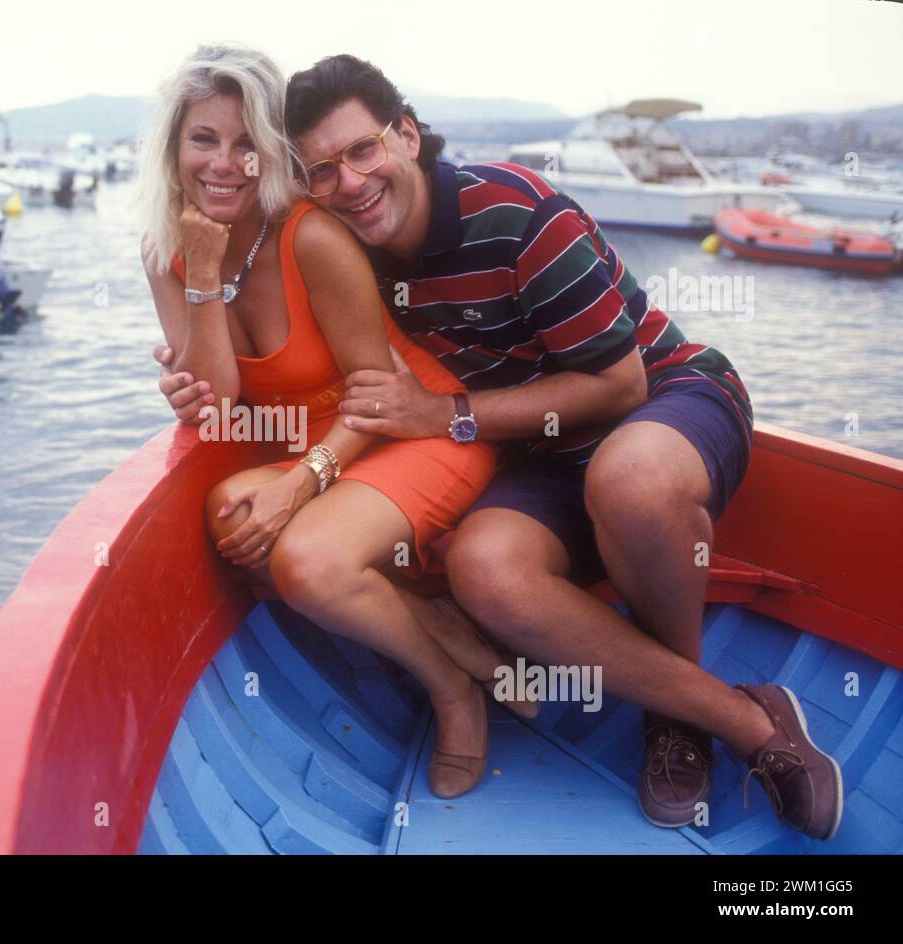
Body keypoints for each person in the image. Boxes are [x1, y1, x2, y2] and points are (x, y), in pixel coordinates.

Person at [158, 54, 842, 840]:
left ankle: (692, 722)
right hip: (534, 450)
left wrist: (443, 415)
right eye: (321, 170)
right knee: (483, 567)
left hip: (664, 398)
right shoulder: (354, 239)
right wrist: (194, 367)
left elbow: (618, 386)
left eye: (363, 151)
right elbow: (277, 367)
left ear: (407, 135)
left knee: (630, 480)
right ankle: (689, 701)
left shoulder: (515, 210)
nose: (348, 182)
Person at [140, 44, 529, 799]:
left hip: (404, 426)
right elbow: (218, 405)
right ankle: (441, 625)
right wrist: (205, 278)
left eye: (248, 143)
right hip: (326, 444)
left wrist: (303, 482)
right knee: (228, 510)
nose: (224, 163)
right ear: (173, 147)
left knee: (307, 562)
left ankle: (453, 694)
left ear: (271, 155)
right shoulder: (171, 253)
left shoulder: (311, 236)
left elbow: (379, 388)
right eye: (204, 139)